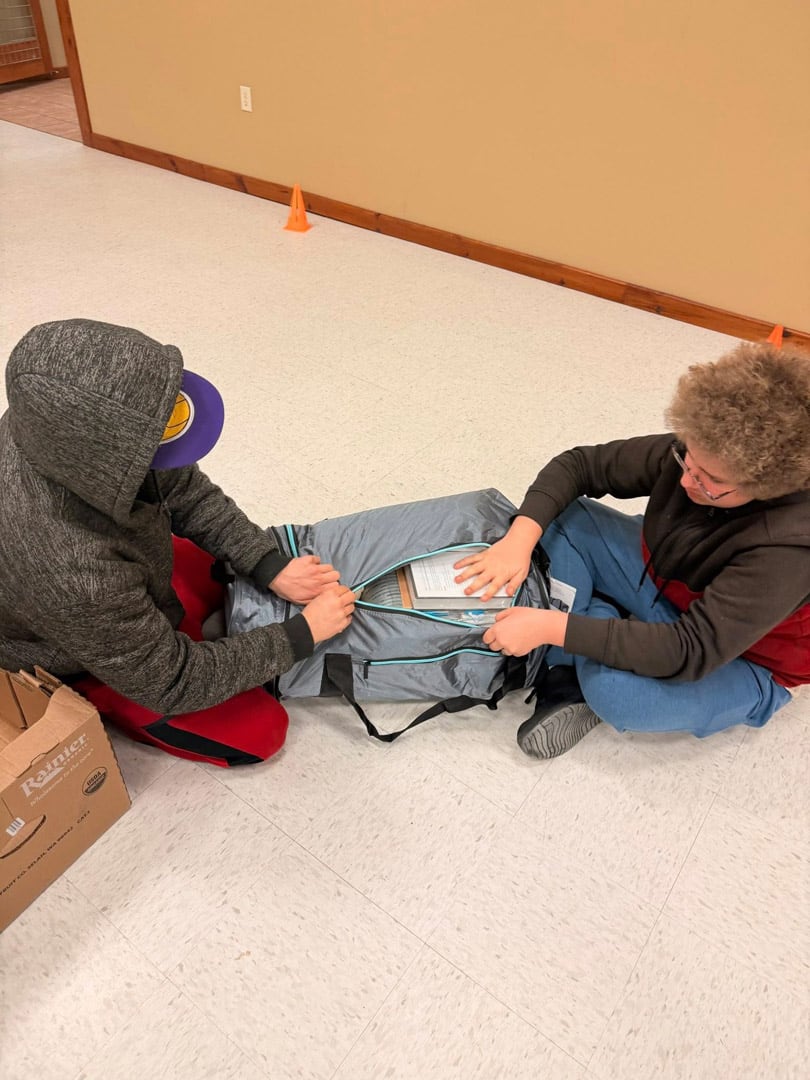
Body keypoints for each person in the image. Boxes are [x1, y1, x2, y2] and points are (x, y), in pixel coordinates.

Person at [0, 319, 355, 765]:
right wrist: (301, 635)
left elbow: (185, 489)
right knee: (261, 733)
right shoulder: (72, 574)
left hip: (112, 577)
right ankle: (103, 693)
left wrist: (267, 565)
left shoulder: (71, 430)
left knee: (225, 570)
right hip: (74, 645)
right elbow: (174, 680)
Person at [454, 340, 810, 758]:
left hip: (741, 654)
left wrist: (553, 628)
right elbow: (579, 465)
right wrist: (519, 539)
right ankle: (591, 644)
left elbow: (690, 650)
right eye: (687, 460)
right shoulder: (703, 452)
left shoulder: (788, 549)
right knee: (564, 520)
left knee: (620, 698)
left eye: (708, 480)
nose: (685, 481)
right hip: (665, 579)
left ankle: (584, 640)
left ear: (764, 484)